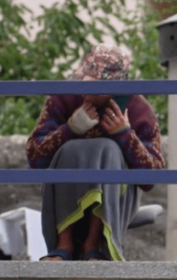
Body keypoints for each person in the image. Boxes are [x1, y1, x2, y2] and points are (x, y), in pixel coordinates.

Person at [26, 44, 165, 262]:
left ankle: (96, 243)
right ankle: (64, 244)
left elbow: (152, 177)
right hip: (64, 195)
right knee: (71, 148)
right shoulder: (63, 97)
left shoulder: (137, 107)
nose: (86, 92)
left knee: (107, 149)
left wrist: (125, 135)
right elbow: (34, 157)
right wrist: (69, 129)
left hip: (116, 199)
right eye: (85, 82)